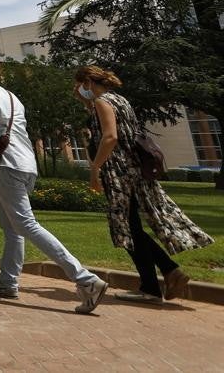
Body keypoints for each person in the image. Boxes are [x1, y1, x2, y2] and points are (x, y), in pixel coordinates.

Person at [0, 64, 108, 313]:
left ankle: (85, 280)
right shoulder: (10, 96)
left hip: (6, 165)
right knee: (11, 226)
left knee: (25, 224)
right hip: (26, 164)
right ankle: (7, 281)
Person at [75, 65, 213, 303]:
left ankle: (157, 281)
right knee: (132, 227)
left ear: (88, 81)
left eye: (79, 85)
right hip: (135, 169)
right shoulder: (119, 100)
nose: (78, 89)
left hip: (118, 171)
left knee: (126, 228)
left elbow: (110, 136)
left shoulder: (102, 102)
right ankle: (165, 275)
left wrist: (95, 168)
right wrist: (83, 100)